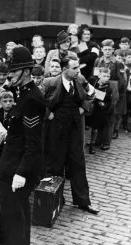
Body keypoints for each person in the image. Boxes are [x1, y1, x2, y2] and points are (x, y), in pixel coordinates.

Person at [0, 46, 46, 245]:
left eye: (13, 71)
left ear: (25, 71)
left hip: (21, 168)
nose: (8, 75)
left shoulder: (32, 99)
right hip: (16, 164)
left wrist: (21, 173)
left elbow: (33, 143)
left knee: (12, 216)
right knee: (18, 213)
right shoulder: (24, 94)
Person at [42, 55, 99, 215]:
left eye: (78, 67)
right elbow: (38, 102)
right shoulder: (50, 83)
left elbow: (93, 94)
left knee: (78, 163)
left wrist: (83, 109)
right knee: (55, 165)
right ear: (64, 69)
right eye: (74, 68)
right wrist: (49, 115)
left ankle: (82, 201)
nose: (78, 70)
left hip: (74, 128)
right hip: (56, 130)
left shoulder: (80, 80)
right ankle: (56, 199)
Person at [87, 67, 114, 154]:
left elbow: (107, 99)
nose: (106, 78)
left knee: (95, 128)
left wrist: (103, 104)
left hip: (99, 110)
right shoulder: (93, 81)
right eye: (104, 76)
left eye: (108, 76)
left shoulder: (108, 88)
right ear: (99, 75)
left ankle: (92, 144)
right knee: (88, 126)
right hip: (90, 107)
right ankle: (90, 141)